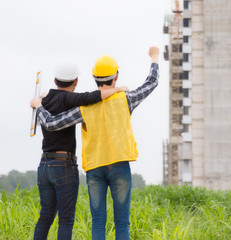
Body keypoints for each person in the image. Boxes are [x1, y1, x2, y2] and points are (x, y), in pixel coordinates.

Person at [30, 46, 160, 240]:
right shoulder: (126, 99)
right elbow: (151, 83)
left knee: (98, 221)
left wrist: (40, 104)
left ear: (93, 77)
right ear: (116, 76)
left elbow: (53, 123)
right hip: (119, 165)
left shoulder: (84, 107)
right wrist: (154, 58)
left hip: (95, 168)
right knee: (122, 221)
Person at [31, 59, 127, 240]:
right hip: (63, 165)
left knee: (45, 216)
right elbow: (92, 97)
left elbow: (46, 105)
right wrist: (116, 89)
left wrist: (38, 104)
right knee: (65, 220)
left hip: (44, 166)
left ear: (54, 81)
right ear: (76, 82)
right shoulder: (69, 99)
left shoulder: (45, 98)